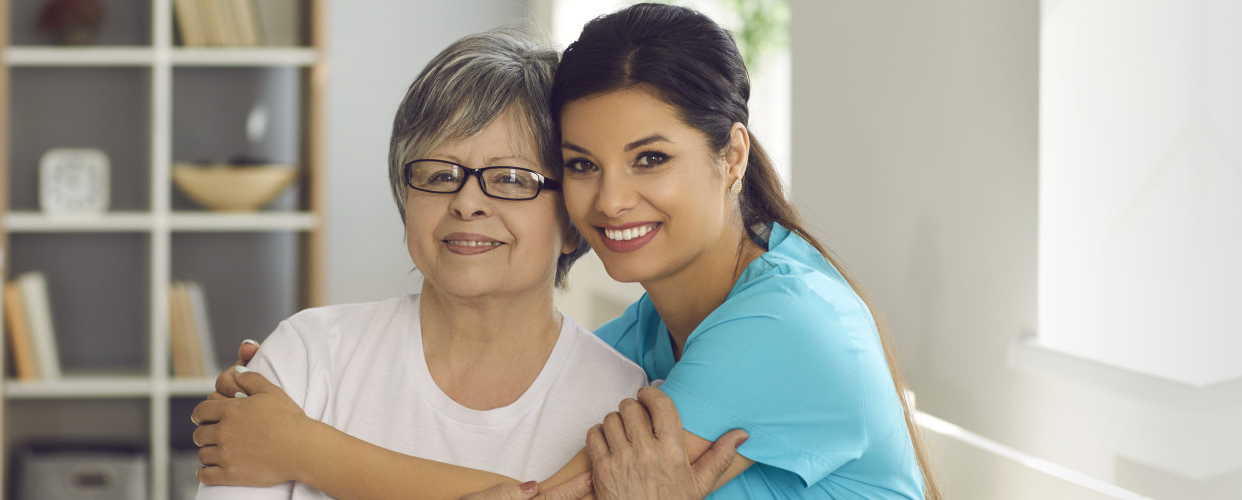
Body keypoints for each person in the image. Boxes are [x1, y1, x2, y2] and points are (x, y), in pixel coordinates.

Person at [203, 4, 940, 499]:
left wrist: (301, 448)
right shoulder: (640, 345)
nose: (611, 200)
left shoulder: (787, 324)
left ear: (731, 155)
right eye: (584, 164)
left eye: (650, 159)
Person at [189, 27, 738, 500]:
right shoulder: (306, 358)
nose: (467, 202)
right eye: (438, 173)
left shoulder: (622, 410)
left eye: (510, 179)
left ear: (572, 221)